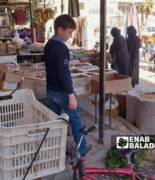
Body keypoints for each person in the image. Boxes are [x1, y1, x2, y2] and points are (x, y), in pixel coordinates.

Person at [44, 14, 87, 168]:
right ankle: (82, 151)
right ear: (59, 29)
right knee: (75, 120)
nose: (70, 36)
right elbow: (63, 73)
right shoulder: (61, 47)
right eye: (69, 32)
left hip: (51, 90)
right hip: (62, 92)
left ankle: (55, 150)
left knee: (55, 121)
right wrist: (71, 95)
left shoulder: (48, 44)